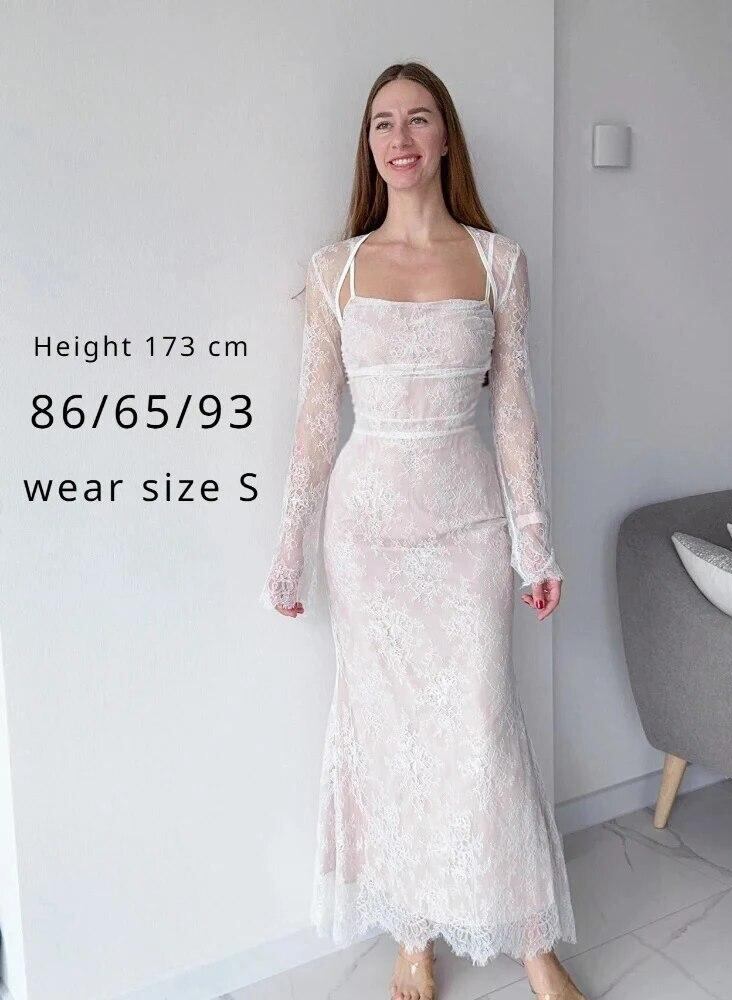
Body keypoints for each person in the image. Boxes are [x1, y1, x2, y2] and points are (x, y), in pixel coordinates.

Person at [259, 61, 586, 1000]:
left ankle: (533, 940)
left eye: (417, 119)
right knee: (388, 734)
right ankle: (413, 931)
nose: (399, 138)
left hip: (468, 525)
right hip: (367, 535)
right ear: (369, 146)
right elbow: (316, 421)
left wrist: (532, 540)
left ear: (445, 139)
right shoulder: (334, 269)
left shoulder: (498, 261)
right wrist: (290, 547)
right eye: (382, 124)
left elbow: (514, 411)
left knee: (483, 731)